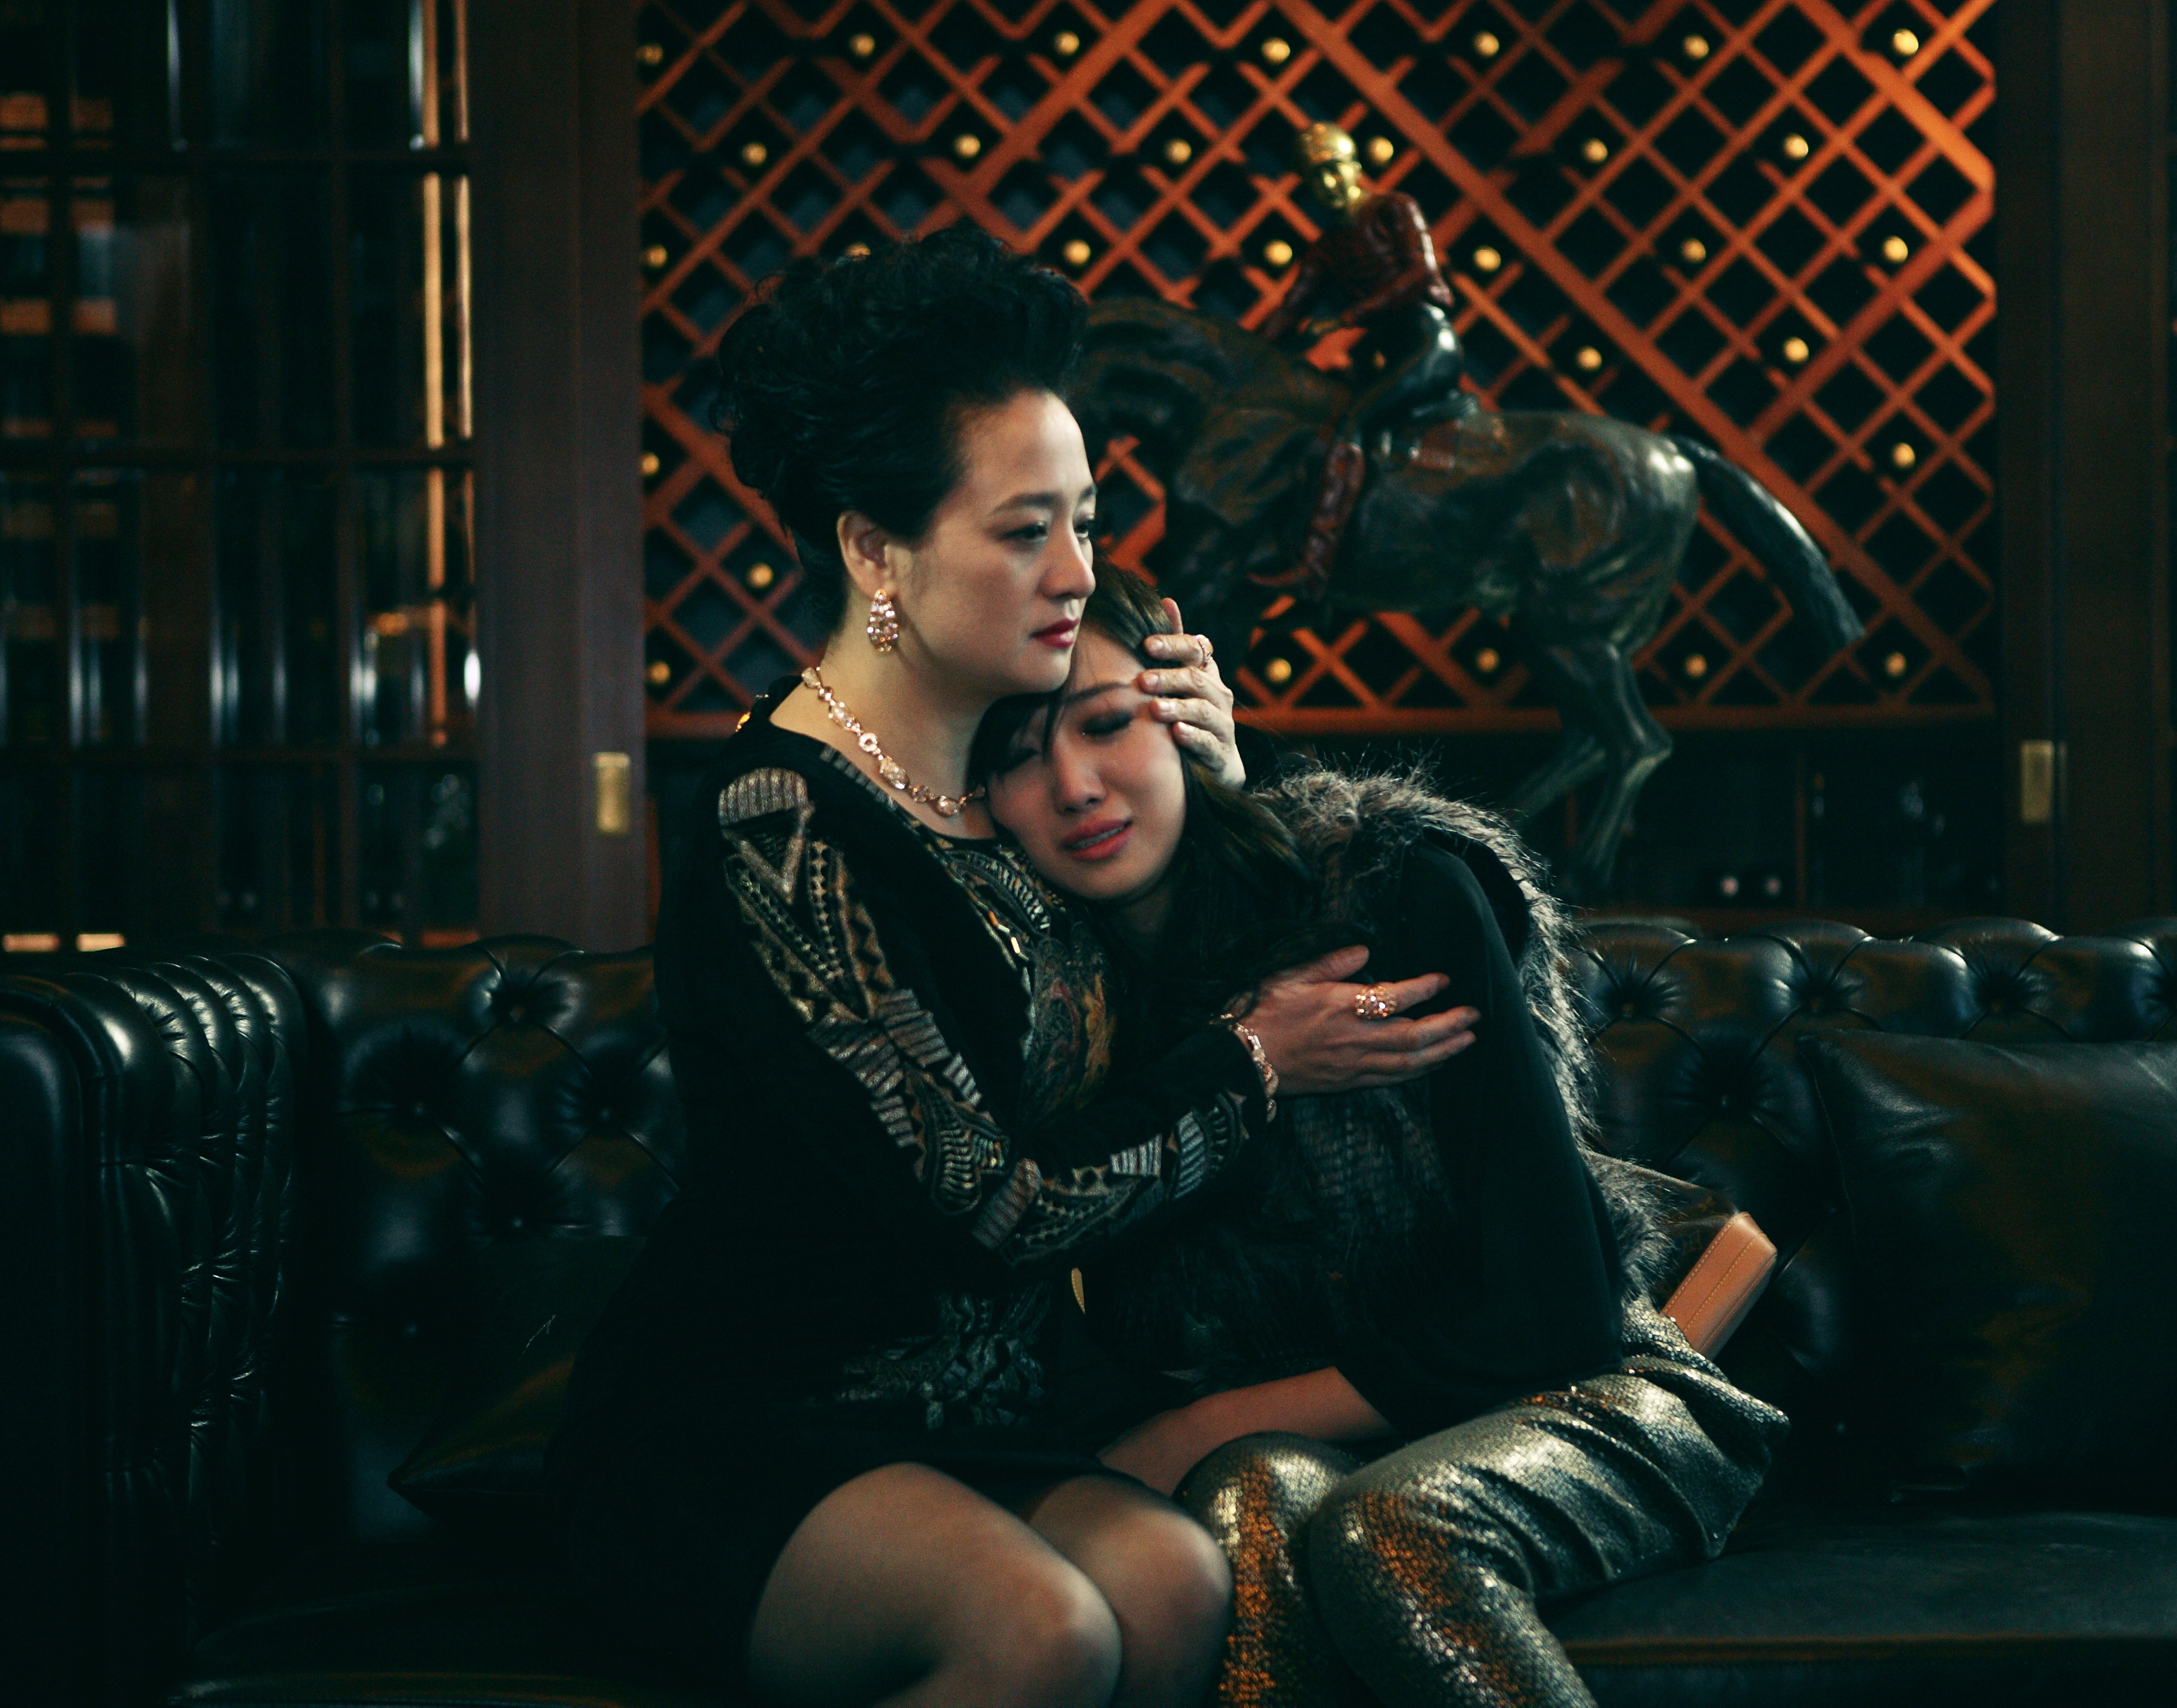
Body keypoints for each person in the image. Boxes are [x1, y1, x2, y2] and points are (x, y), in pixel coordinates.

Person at [547, 228, 1482, 1708]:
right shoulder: (785, 821)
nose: (1078, 574)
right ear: (876, 551)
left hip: (988, 1418)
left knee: (1179, 1582)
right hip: (756, 1418)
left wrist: (1221, 793)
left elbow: (1166, 1008)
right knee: (1046, 1633)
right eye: (1024, 531)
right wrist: (1255, 1062)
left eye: (1088, 523)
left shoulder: (1012, 788)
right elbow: (991, 1205)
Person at [976, 567, 1789, 1707]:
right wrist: (1243, 1063)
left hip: (1585, 1398)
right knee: (1245, 1503)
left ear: (1185, 708)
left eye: (1108, 723)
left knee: (1382, 1527)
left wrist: (1197, 1423)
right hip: (1334, 1442)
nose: (1074, 785)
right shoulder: (1062, 1011)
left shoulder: (1383, 886)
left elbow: (1553, 1317)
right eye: (1018, 757)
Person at [1257, 120, 1470, 596]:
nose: (1329, 183)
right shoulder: (1326, 248)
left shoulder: (1394, 209)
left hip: (1428, 344)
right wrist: (1246, 351)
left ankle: (1315, 566)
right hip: (1387, 359)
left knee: (1353, 424)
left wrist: (1345, 318)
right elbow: (1292, 308)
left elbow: (1422, 275)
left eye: (1335, 169)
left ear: (1355, 167)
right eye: (1317, 177)